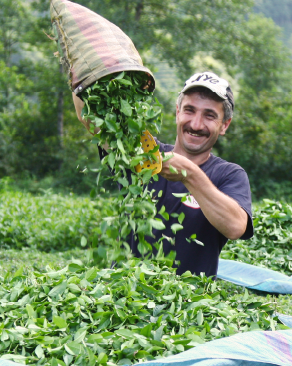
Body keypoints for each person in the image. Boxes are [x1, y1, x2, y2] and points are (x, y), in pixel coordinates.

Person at [76, 71, 254, 277]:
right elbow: (88, 116)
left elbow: (235, 227)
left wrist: (190, 175)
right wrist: (79, 67)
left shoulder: (229, 175)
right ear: (177, 112)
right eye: (189, 110)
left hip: (188, 302)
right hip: (124, 294)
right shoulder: (144, 152)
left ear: (224, 125)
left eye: (210, 115)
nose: (196, 124)